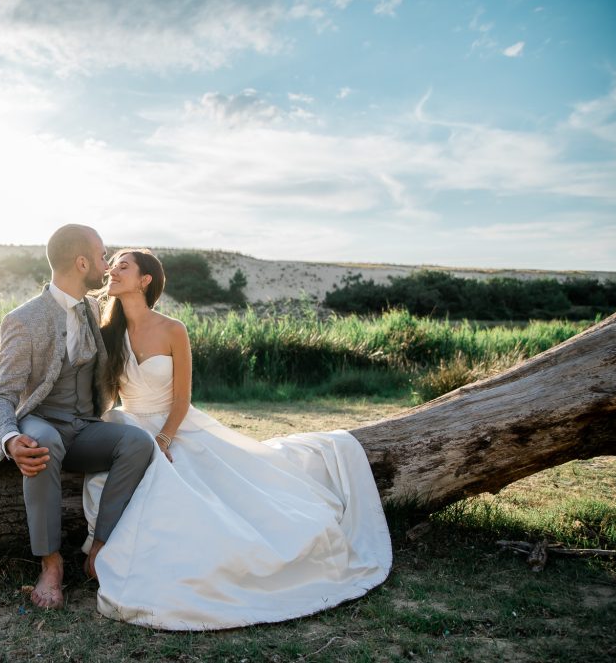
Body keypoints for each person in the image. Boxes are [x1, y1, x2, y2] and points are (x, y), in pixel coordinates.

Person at [82, 249, 392, 630]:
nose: (112, 269)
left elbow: (182, 401)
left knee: (209, 496)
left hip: (174, 427)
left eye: (123, 265)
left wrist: (163, 440)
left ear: (145, 280)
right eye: (111, 263)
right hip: (129, 425)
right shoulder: (107, 330)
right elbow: (107, 396)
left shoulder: (173, 329)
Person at [0, 225, 154, 610]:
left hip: (83, 426)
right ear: (82, 262)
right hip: (41, 421)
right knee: (42, 441)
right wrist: (9, 439)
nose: (107, 265)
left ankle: (98, 549)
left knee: (136, 443)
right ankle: (51, 564)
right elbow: (2, 395)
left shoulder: (93, 308)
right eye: (103, 256)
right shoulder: (24, 319)